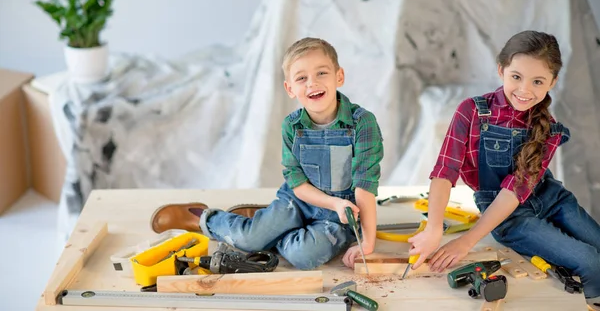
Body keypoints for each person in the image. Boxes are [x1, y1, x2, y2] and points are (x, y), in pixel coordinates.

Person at [150, 37, 384, 270]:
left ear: (339, 76)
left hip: (340, 214)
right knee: (249, 240)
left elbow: (365, 186)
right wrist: (330, 202)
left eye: (321, 73)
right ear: (290, 89)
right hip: (299, 200)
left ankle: (263, 228)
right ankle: (205, 218)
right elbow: (297, 183)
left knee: (303, 257)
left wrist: (367, 242)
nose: (312, 83)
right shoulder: (292, 126)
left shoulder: (362, 123)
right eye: (301, 78)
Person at [407, 30, 600, 310]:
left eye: (538, 81)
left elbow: (516, 188)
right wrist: (434, 228)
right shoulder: (472, 111)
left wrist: (465, 241)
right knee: (591, 262)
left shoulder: (549, 126)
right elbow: (444, 172)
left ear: (552, 82)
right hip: (509, 217)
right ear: (501, 70)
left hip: (552, 199)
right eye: (516, 77)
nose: (524, 90)